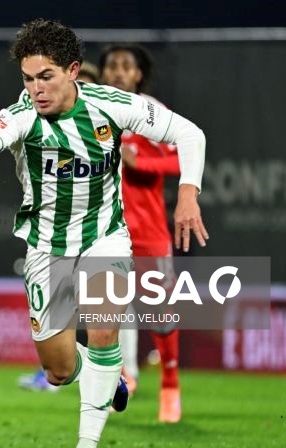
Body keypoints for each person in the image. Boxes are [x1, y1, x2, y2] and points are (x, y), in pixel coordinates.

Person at [0, 19, 207, 448]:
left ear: (74, 71)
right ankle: (108, 381)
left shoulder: (112, 104)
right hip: (46, 248)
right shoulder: (24, 113)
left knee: (104, 330)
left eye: (46, 77)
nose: (35, 89)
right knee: (59, 370)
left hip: (106, 238)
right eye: (27, 77)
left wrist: (187, 194)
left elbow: (191, 135)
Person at [100, 43, 184, 423]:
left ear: (138, 75)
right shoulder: (91, 110)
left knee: (160, 313)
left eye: (126, 66)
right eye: (111, 65)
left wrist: (143, 162)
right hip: (102, 232)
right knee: (104, 311)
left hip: (148, 232)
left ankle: (170, 382)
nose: (118, 71)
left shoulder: (149, 113)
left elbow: (186, 153)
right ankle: (120, 378)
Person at [17, 60, 100, 394]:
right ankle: (100, 369)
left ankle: (113, 368)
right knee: (58, 370)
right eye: (31, 79)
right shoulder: (31, 116)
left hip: (100, 233)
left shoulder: (107, 123)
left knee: (103, 315)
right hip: (49, 237)